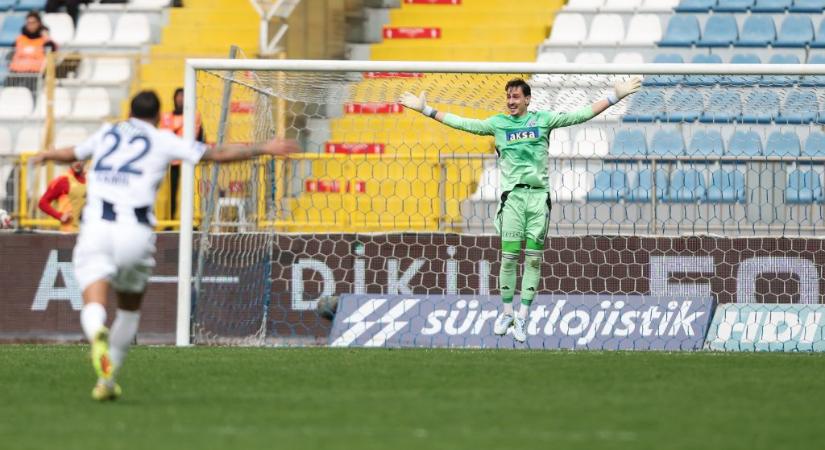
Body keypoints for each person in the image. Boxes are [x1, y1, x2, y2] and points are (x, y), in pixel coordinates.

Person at [32, 90, 299, 401]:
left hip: (97, 227)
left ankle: (96, 334)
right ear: (159, 116)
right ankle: (107, 380)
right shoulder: (163, 139)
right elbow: (217, 154)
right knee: (129, 312)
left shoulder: (107, 133)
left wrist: (48, 154)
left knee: (93, 300)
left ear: (128, 111)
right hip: (135, 232)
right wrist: (264, 148)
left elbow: (73, 152)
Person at [399, 77, 641, 343]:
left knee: (534, 258)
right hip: (512, 199)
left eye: (515, 97)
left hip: (538, 199)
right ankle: (506, 312)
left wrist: (615, 97)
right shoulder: (498, 124)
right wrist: (426, 110)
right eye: (508, 97)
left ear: (527, 99)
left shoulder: (543, 120)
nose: (511, 101)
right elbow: (465, 123)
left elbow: (578, 116)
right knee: (510, 258)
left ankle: (523, 315)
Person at [159, 87, 203, 221]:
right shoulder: (166, 117)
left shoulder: (195, 116)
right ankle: (170, 220)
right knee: (172, 193)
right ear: (174, 98)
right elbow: (164, 137)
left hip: (189, 160)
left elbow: (200, 136)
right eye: (179, 96)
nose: (180, 99)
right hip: (172, 162)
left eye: (183, 96)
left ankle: (191, 220)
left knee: (190, 191)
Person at [8, 11, 56, 91]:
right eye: (28, 23)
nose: (30, 25)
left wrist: (46, 37)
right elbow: (11, 53)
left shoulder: (44, 39)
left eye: (33, 22)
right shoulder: (20, 38)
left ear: (39, 23)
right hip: (16, 73)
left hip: (35, 74)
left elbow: (53, 50)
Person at [38, 160, 86, 232]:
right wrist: (60, 216)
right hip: (69, 233)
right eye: (74, 159)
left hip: (88, 232)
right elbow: (42, 203)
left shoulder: (91, 178)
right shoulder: (63, 180)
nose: (77, 163)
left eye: (80, 159)